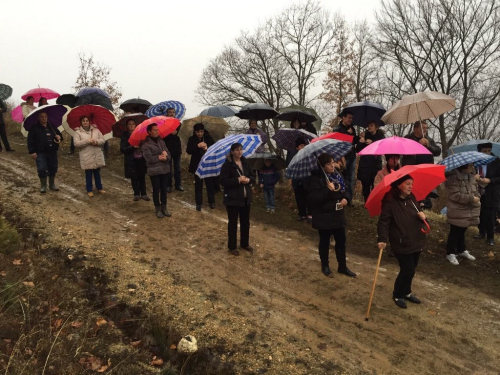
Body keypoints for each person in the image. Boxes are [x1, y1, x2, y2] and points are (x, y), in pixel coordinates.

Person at [377, 174, 427, 309]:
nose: (411, 186)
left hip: (416, 238)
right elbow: (383, 222)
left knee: (412, 268)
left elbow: (417, 213)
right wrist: (382, 239)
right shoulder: (390, 201)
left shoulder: (412, 198)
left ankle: (407, 292)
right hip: (401, 241)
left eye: (412, 183)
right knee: (407, 270)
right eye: (407, 184)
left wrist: (422, 215)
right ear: (399, 185)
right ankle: (398, 294)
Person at [307, 153, 356, 278]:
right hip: (324, 216)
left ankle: (342, 266)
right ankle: (325, 266)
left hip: (338, 214)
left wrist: (346, 199)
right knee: (324, 241)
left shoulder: (337, 175)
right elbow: (313, 199)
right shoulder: (316, 179)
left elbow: (347, 190)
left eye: (332, 162)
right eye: (328, 164)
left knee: (341, 241)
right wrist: (327, 190)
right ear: (322, 166)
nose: (332, 166)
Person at [219, 142, 255, 256]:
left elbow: (253, 176)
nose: (239, 152)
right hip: (232, 199)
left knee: (245, 222)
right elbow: (223, 181)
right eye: (236, 150)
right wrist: (238, 180)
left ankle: (244, 243)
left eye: (241, 149)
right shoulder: (227, 165)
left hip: (245, 198)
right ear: (232, 152)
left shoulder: (245, 162)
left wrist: (248, 180)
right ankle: (232, 246)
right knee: (233, 223)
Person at [444, 163, 479, 265]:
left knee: (463, 229)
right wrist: (471, 198)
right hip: (457, 209)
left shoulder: (470, 177)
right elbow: (455, 195)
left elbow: (474, 190)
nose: (472, 168)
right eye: (470, 166)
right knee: (455, 231)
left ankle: (461, 249)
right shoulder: (452, 178)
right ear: (463, 167)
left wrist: (477, 196)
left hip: (469, 208)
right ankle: (450, 252)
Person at [27, 111, 63, 193]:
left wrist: (59, 137)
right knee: (42, 168)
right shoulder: (34, 128)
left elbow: (61, 137)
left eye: (45, 116)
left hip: (52, 151)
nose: (44, 118)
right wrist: (32, 152)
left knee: (53, 167)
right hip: (40, 152)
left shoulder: (52, 127)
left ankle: (52, 184)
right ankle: (43, 186)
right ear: (38, 118)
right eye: (42, 117)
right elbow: (30, 141)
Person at [142, 123, 171, 218]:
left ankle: (164, 207)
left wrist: (166, 156)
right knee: (156, 189)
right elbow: (148, 159)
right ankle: (157, 208)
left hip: (164, 169)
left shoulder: (161, 141)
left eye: (157, 130)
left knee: (164, 189)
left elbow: (169, 155)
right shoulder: (146, 144)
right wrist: (159, 157)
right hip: (154, 170)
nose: (156, 132)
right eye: (154, 130)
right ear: (149, 132)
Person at [73, 116, 106, 197]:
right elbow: (76, 144)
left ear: (89, 122)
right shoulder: (78, 132)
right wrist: (87, 141)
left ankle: (99, 188)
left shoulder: (96, 130)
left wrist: (96, 142)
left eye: (87, 120)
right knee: (88, 174)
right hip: (86, 155)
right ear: (81, 122)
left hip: (96, 154)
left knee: (97, 173)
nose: (85, 122)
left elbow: (102, 140)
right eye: (83, 121)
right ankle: (89, 189)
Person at [474, 142, 500, 245]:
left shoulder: (496, 161)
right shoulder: (475, 162)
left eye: (489, 150)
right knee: (480, 214)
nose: (487, 153)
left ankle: (490, 237)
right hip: (478, 191)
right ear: (479, 151)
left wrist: (490, 180)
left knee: (490, 215)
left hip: (492, 192)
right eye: (484, 151)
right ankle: (481, 232)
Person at [186, 123, 215, 211]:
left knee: (209, 183)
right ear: (194, 132)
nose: (200, 134)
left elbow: (214, 148)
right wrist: (197, 146)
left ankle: (212, 201)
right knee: (198, 184)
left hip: (207, 164)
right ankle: (198, 203)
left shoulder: (208, 138)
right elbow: (189, 151)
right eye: (198, 132)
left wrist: (207, 148)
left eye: (201, 131)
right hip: (197, 164)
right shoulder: (191, 139)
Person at [355, 121, 385, 202]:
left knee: (375, 182)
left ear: (376, 127)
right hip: (365, 162)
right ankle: (366, 201)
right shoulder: (364, 135)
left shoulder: (381, 136)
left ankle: (374, 201)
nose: (369, 127)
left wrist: (373, 143)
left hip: (376, 163)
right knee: (365, 183)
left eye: (371, 125)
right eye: (368, 125)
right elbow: (358, 150)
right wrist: (361, 142)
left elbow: (383, 148)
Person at [120, 119, 149, 201]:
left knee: (142, 176)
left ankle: (144, 193)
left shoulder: (141, 133)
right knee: (134, 177)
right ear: (127, 126)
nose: (132, 126)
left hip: (141, 158)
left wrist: (142, 147)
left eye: (133, 124)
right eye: (130, 124)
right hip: (131, 159)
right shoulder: (125, 135)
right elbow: (123, 149)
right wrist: (132, 147)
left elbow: (146, 144)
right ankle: (136, 194)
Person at [335, 110, 359, 204]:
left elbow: (354, 141)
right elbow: (338, 140)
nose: (350, 120)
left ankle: (349, 199)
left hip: (352, 156)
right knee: (341, 177)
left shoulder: (352, 128)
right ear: (343, 117)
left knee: (351, 178)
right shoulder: (337, 128)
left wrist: (359, 138)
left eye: (352, 118)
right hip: (342, 157)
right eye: (349, 118)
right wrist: (348, 134)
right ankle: (340, 198)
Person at [286, 137, 309, 221]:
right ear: (297, 147)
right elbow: (289, 165)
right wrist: (290, 179)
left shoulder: (308, 153)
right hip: (296, 180)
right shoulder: (293, 154)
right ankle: (302, 214)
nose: (303, 147)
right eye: (301, 145)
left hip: (306, 179)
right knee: (299, 198)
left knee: (308, 197)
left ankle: (310, 214)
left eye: (304, 145)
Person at [163, 107, 184, 193]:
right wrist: (169, 132)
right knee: (168, 168)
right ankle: (168, 185)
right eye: (170, 112)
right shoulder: (164, 123)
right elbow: (162, 135)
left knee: (177, 168)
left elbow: (181, 133)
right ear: (167, 114)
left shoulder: (178, 123)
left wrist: (176, 132)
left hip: (177, 149)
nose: (172, 114)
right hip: (168, 148)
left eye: (173, 112)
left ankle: (178, 184)